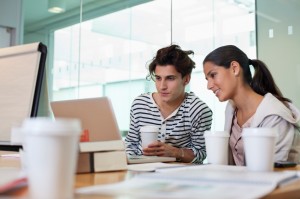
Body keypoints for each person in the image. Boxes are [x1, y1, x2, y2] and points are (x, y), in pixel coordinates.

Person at [202, 45, 300, 165]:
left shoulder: (274, 116)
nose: (209, 86)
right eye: (207, 79)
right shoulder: (231, 109)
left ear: (234, 68)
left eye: (213, 75)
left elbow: (270, 171)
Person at [125, 44, 213, 163]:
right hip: (140, 171)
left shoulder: (198, 110)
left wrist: (175, 152)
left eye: (170, 78)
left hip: (179, 175)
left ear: (186, 79)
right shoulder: (140, 104)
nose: (162, 86)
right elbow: (131, 144)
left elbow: (201, 153)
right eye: (158, 78)